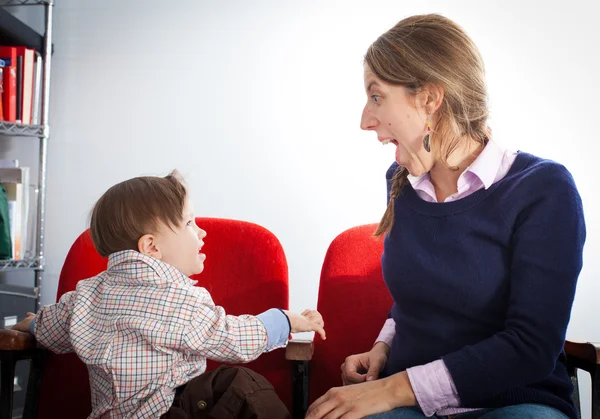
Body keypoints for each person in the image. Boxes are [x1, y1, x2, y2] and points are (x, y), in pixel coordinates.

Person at [306, 13, 585, 419]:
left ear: (430, 100)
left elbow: (531, 346)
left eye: (377, 96)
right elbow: (415, 300)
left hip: (514, 400)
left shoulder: (544, 189)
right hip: (410, 401)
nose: (365, 120)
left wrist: (394, 390)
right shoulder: (401, 182)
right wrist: (382, 349)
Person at [12, 170, 326, 418]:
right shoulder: (177, 299)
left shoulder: (86, 295)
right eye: (190, 223)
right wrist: (286, 321)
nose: (201, 232)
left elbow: (50, 327)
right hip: (165, 413)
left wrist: (31, 323)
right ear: (151, 246)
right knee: (240, 384)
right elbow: (232, 338)